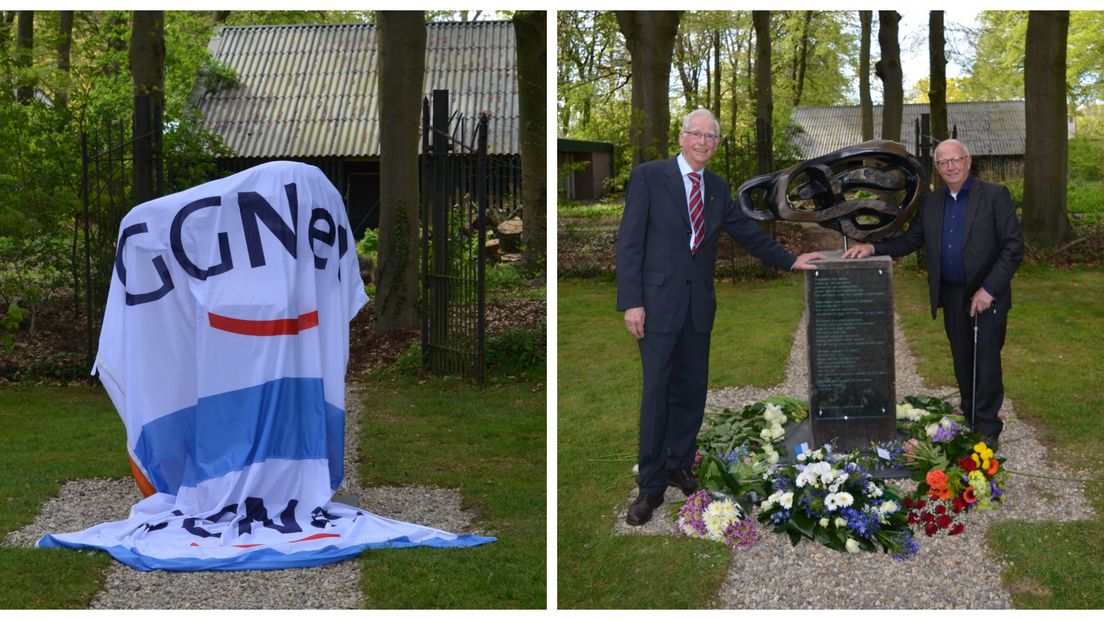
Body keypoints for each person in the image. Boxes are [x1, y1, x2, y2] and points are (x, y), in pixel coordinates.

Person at [615, 109, 824, 526]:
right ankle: (651, 486)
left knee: (691, 393)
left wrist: (790, 260)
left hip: (698, 309)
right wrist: (632, 302)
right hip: (656, 306)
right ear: (681, 136)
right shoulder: (650, 177)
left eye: (711, 137)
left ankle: (679, 464)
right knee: (657, 394)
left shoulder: (715, 186)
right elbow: (630, 242)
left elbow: (744, 231)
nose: (703, 143)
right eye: (697, 134)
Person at [841, 139, 1024, 451]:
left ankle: (988, 427)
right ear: (937, 169)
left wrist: (989, 289)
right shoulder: (931, 202)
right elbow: (911, 240)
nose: (950, 166)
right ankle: (970, 415)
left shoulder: (994, 196)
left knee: (987, 361)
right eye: (943, 162)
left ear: (968, 161)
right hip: (952, 294)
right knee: (963, 359)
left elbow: (1012, 246)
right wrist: (873, 246)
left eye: (955, 160)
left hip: (985, 293)